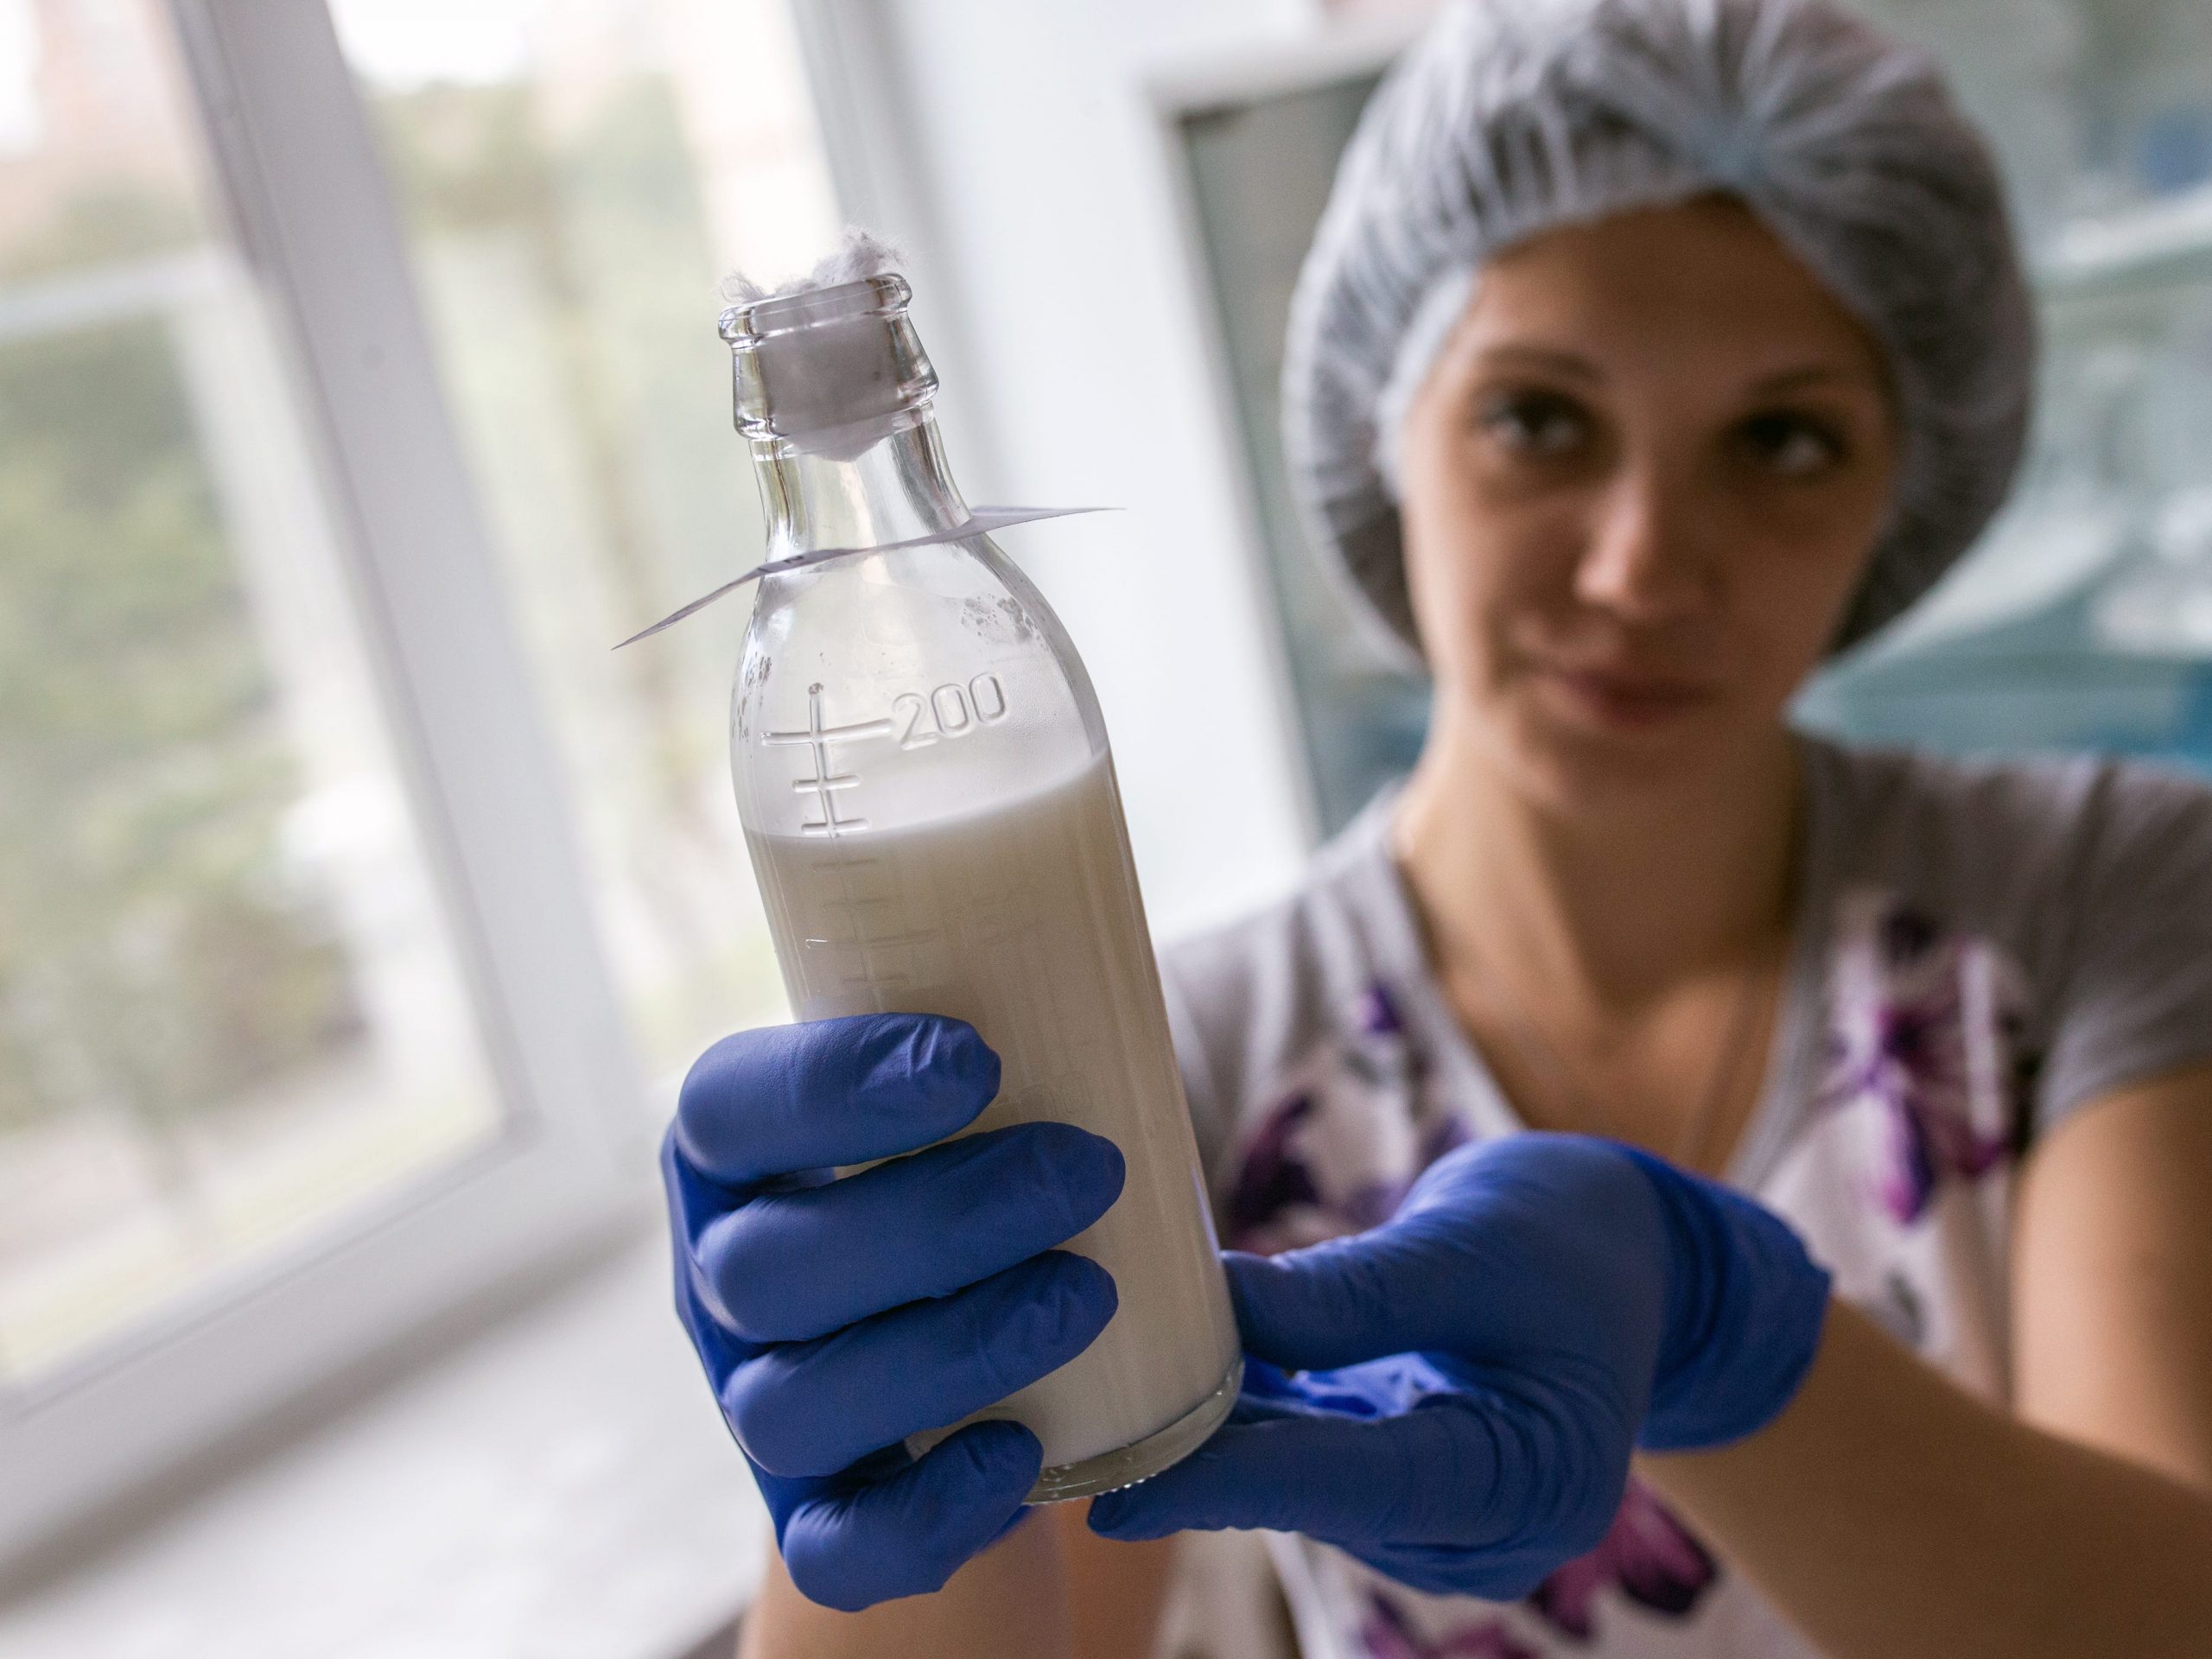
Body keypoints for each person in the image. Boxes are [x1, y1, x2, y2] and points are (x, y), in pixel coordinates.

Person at [661, 0, 2212, 1654]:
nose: (1639, 567)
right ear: (1376, 427)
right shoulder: (1158, 1071)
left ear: (1906, 490)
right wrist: (876, 1455)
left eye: (1783, 440)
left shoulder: (2107, 898)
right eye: (1540, 419)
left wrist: (1729, 1342)